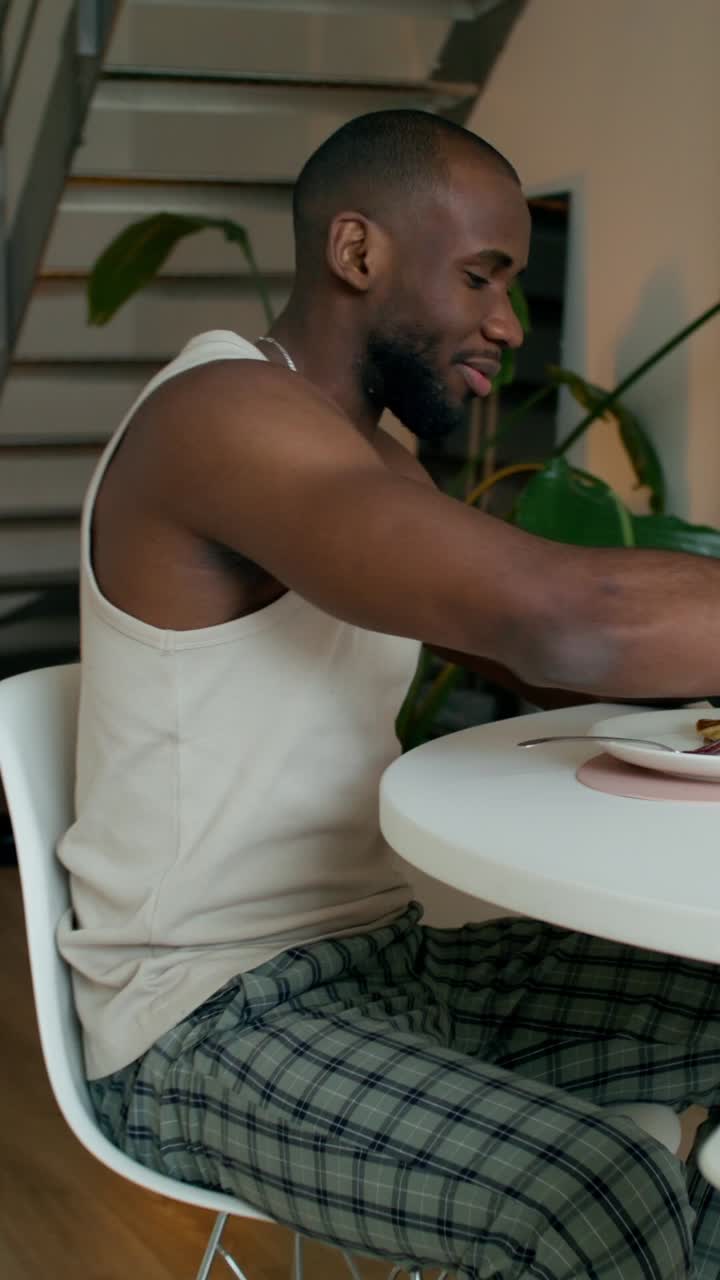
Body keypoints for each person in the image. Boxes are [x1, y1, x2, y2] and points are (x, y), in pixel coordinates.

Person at [58, 109, 720, 1279]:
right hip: (212, 1016)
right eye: (482, 276)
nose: (509, 325)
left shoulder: (374, 455)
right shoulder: (225, 417)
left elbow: (521, 651)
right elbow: (561, 620)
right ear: (357, 253)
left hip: (394, 962)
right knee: (596, 1197)